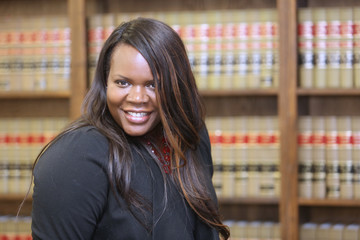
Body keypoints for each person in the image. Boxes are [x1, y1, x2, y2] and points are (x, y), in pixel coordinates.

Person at [30, 17, 230, 240]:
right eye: (123, 82)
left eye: (153, 85)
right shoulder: (77, 155)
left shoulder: (190, 136)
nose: (137, 98)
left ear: (176, 87)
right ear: (105, 82)